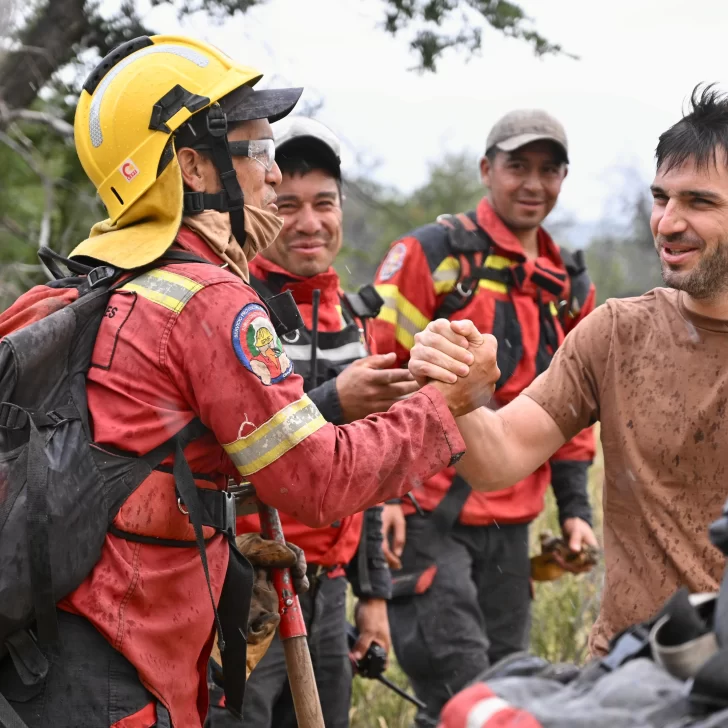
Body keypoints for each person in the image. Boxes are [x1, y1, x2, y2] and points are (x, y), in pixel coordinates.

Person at [0, 35, 499, 728]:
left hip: (58, 654)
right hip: (120, 668)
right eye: (257, 150)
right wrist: (445, 404)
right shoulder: (208, 301)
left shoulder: (103, 283)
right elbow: (317, 482)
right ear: (194, 165)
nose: (274, 174)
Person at [408, 84, 728, 667]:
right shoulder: (616, 333)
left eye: (699, 202)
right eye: (661, 197)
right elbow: (496, 460)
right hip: (629, 677)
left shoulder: (565, 278)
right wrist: (452, 382)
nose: (668, 222)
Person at [370, 109, 598, 723]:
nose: (533, 183)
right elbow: (380, 372)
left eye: (549, 170)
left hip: (513, 520)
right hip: (424, 513)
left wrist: (576, 511)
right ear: (486, 169)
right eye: (517, 166)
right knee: (462, 694)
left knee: (509, 694)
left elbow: (578, 408)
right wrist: (383, 496)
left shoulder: (569, 286)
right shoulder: (435, 253)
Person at [209, 117, 415, 727]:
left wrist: (373, 597)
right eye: (287, 203)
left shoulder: (357, 322)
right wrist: (333, 401)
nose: (308, 222)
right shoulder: (229, 303)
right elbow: (231, 447)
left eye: (323, 203)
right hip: (242, 593)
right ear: (261, 206)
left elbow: (369, 468)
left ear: (342, 209)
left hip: (327, 598)